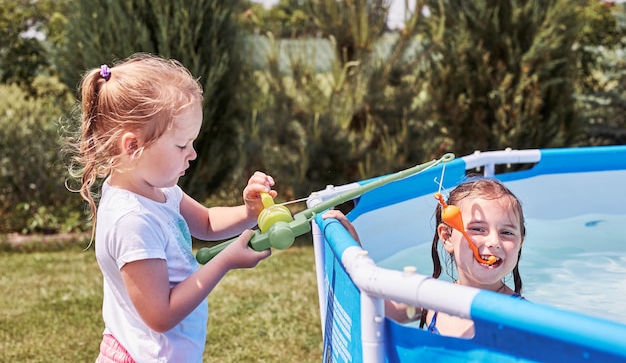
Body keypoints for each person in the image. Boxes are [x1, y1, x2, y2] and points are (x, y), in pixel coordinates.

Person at [68, 54, 274, 362]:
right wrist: (224, 262)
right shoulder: (132, 221)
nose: (191, 154)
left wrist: (248, 212)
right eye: (181, 145)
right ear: (133, 147)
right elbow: (160, 315)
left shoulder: (159, 191)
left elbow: (205, 222)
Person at [323, 177, 526, 338]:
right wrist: (354, 251)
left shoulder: (523, 317)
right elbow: (379, 311)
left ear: (520, 243)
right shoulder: (430, 299)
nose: (494, 241)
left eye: (507, 232)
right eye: (478, 229)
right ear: (447, 237)